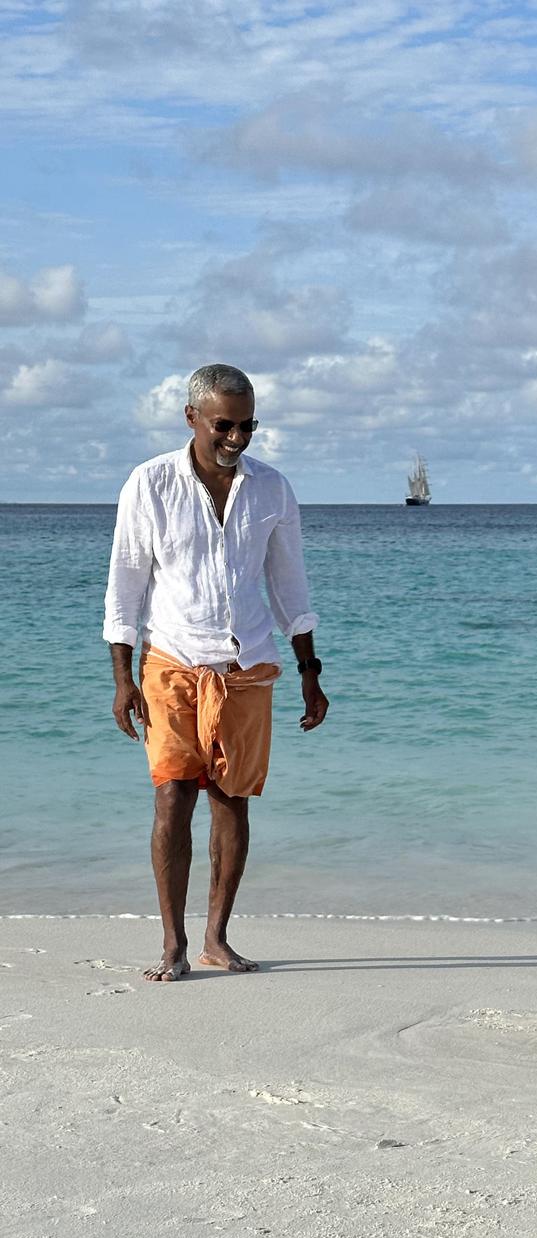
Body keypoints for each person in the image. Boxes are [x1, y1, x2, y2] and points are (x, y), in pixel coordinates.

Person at [103, 363, 328, 982]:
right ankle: (173, 944)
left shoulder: (272, 488)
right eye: (223, 425)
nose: (236, 437)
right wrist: (122, 678)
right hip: (171, 658)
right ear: (192, 418)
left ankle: (215, 938)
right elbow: (125, 587)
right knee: (173, 796)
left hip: (248, 663)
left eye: (247, 425)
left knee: (233, 801)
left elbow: (289, 586)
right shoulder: (149, 484)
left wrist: (310, 670)